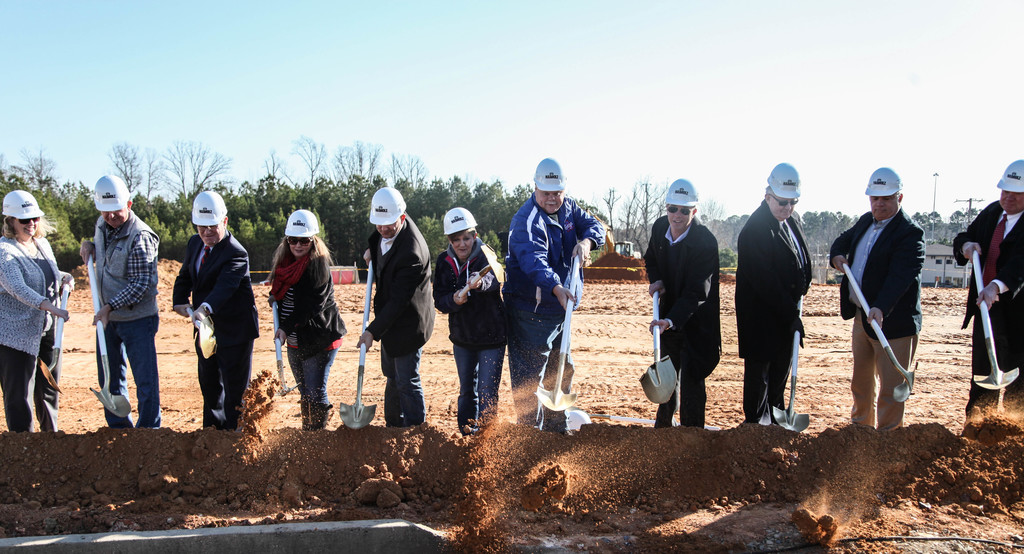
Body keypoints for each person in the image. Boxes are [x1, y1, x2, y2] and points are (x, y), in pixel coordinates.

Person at [503, 158, 605, 433]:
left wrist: (587, 242)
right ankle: (530, 437)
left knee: (561, 369)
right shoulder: (526, 220)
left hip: (561, 309)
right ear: (535, 188)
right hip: (531, 312)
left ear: (564, 190)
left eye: (557, 193)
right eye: (546, 193)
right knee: (530, 380)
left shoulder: (569, 207)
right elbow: (533, 261)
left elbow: (595, 226)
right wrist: (556, 287)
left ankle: (556, 433)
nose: (552, 198)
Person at [830, 168, 924, 430]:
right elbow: (841, 241)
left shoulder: (910, 233)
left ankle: (888, 438)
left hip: (893, 324)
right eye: (875, 198)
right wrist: (837, 256)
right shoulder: (865, 221)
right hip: (863, 318)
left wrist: (881, 307)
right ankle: (860, 430)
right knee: (861, 382)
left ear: (899, 197)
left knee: (891, 388)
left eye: (886, 198)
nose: (879, 204)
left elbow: (900, 277)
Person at [172, 191, 259, 430]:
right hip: (206, 330)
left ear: (225, 221)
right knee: (209, 385)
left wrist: (204, 309)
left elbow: (224, 288)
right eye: (202, 227)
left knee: (235, 392)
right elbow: (185, 276)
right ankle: (212, 436)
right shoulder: (194, 243)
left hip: (234, 331)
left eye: (212, 226)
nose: (207, 231)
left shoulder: (236, 252)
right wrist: (180, 301)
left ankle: (235, 437)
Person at [80, 175, 161, 429]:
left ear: (129, 204)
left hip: (138, 319)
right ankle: (119, 430)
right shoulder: (102, 225)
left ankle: (149, 431)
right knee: (110, 376)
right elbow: (106, 251)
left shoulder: (140, 236)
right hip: (109, 318)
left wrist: (109, 307)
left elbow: (141, 285)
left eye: (117, 210)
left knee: (145, 380)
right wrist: (90, 245)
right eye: (105, 211)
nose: (111, 216)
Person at [736, 163, 811, 426]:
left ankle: (776, 428)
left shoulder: (793, 220)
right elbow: (764, 281)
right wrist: (791, 314)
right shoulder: (755, 230)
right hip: (761, 319)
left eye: (793, 202)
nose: (788, 208)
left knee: (779, 377)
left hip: (785, 315)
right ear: (768, 196)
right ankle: (755, 430)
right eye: (782, 202)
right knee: (760, 380)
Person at [643, 179, 721, 428]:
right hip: (669, 319)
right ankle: (663, 433)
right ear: (666, 207)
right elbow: (650, 258)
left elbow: (697, 292)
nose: (677, 215)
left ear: (694, 211)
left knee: (692, 383)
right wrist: (657, 279)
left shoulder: (705, 242)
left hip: (697, 323)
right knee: (666, 379)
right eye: (672, 208)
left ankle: (692, 437)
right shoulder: (659, 228)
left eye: (684, 211)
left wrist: (670, 320)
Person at [357, 187, 434, 428]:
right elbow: (379, 235)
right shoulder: (386, 224)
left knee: (406, 379)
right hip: (390, 319)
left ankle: (414, 431)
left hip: (409, 322)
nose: (382, 229)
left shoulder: (412, 253)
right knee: (391, 376)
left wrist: (372, 331)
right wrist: (372, 252)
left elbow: (399, 301)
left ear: (402, 217)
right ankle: (393, 427)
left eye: (388, 224)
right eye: (378, 224)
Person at [953, 159, 1024, 415]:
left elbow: (1020, 264)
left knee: (1018, 377)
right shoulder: (993, 212)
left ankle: (1015, 431)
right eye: (1005, 191)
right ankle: (978, 427)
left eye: (1017, 193)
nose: (1008, 197)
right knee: (983, 375)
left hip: (1018, 314)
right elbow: (965, 236)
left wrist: (995, 286)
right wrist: (966, 246)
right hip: (986, 309)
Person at [267, 210, 346, 430]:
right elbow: (282, 291)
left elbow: (312, 306)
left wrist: (285, 327)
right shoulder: (284, 264)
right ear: (287, 240)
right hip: (294, 339)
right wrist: (275, 298)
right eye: (293, 240)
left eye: (304, 241)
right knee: (304, 391)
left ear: (313, 241)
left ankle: (317, 437)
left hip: (318, 338)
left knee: (314, 391)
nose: (298, 245)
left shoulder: (318, 266)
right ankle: (308, 432)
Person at [0, 191, 72, 432]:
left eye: (35, 218)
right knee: (19, 396)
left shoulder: (42, 245)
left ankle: (50, 440)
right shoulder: (4, 251)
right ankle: (24, 445)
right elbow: (17, 288)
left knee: (48, 389)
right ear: (11, 220)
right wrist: (48, 305)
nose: (31, 223)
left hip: (46, 330)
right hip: (15, 336)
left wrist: (64, 277)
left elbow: (46, 274)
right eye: (24, 220)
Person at [433, 207, 506, 434]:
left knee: (487, 390)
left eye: (466, 238)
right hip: (462, 338)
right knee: (467, 391)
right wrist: (453, 300)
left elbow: (497, 278)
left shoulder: (486, 255)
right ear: (449, 240)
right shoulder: (443, 261)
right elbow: (439, 299)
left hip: (492, 337)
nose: (462, 244)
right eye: (456, 240)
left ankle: (486, 437)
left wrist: (481, 283)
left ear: (474, 235)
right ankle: (466, 435)